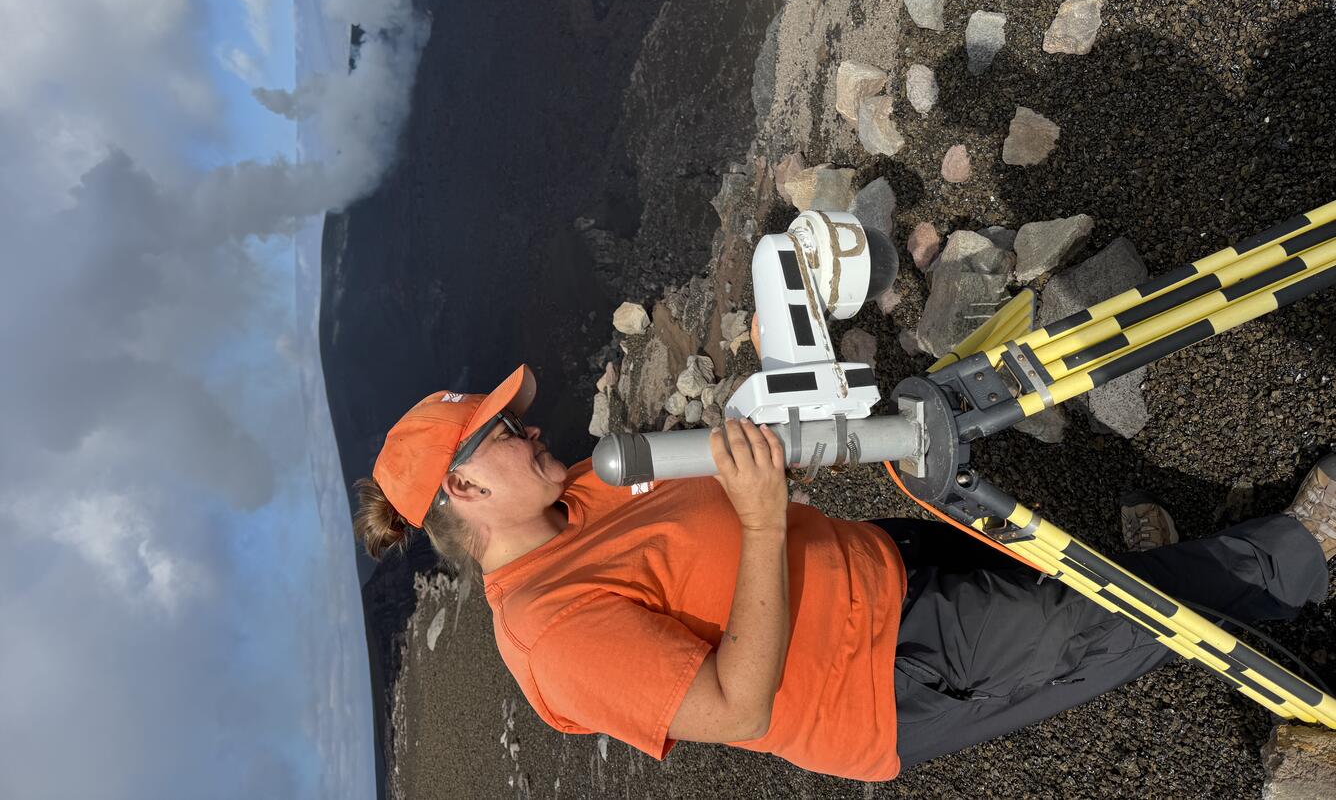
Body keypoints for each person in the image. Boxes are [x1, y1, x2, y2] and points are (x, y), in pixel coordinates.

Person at [354, 362, 1336, 781]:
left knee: (1076, 581)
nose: (525, 427)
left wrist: (781, 451)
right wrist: (759, 518)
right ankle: (1307, 549)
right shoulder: (549, 637)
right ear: (464, 499)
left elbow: (711, 488)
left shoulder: (579, 486)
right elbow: (734, 705)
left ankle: (1241, 561)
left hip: (881, 565)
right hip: (884, 681)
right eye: (496, 433)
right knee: (1114, 623)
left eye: (509, 416)